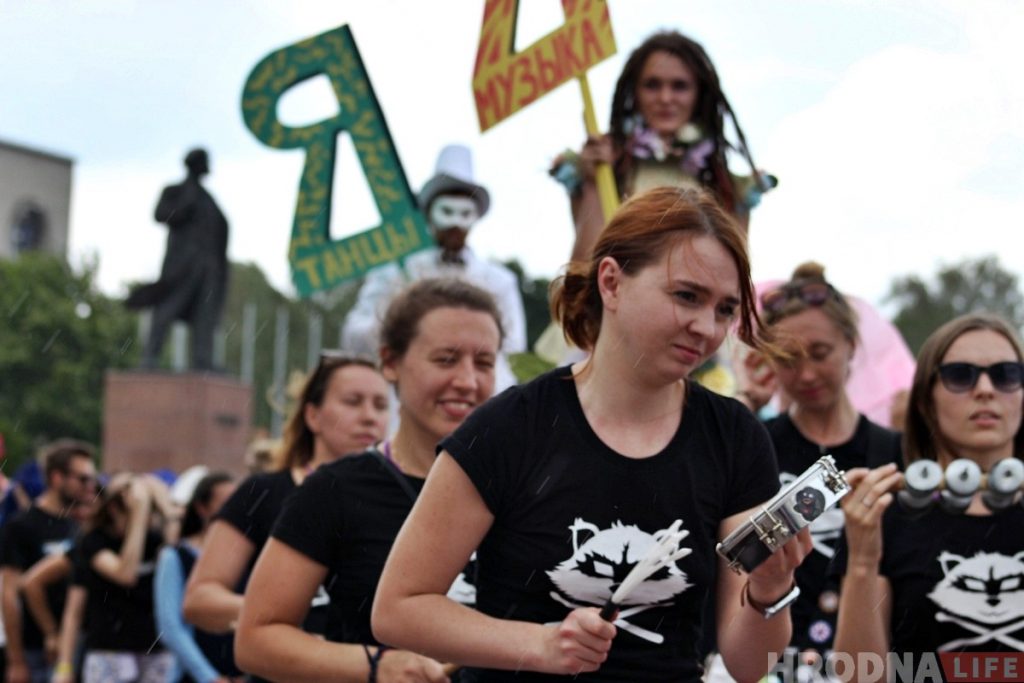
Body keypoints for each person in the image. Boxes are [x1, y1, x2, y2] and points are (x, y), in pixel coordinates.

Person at [372, 187, 813, 682]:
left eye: (725, 310)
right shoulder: (509, 426)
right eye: (686, 296)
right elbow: (398, 608)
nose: (705, 327)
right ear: (611, 282)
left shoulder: (735, 437)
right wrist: (537, 644)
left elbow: (749, 666)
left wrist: (771, 589)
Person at [235, 278, 503, 683]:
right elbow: (255, 640)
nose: (467, 381)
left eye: (484, 362)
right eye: (446, 359)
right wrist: (375, 665)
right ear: (390, 362)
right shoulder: (335, 490)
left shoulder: (527, 488)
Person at [834, 313, 1024, 681]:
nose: (985, 389)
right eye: (960, 375)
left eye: (1006, 374)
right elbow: (858, 677)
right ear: (925, 401)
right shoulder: (882, 515)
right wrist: (861, 561)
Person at [738, 263, 902, 671]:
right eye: (788, 359)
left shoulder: (895, 454)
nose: (806, 374)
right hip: (766, 660)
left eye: (820, 353)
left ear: (850, 345)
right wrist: (744, 404)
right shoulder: (756, 446)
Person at [182, 355, 388, 641]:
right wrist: (277, 614)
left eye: (381, 405)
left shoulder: (405, 497)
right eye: (353, 402)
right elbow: (200, 600)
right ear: (312, 416)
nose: (370, 416)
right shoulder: (263, 492)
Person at [551, 31, 774, 265]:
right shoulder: (601, 169)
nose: (665, 98)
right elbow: (583, 272)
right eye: (652, 85)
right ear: (634, 91)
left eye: (679, 86)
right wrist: (593, 183)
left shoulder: (731, 189)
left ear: (699, 94)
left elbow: (733, 283)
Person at [342, 144, 526, 391]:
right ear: (429, 213)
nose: (455, 224)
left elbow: (512, 353)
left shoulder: (499, 281)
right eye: (447, 211)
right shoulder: (394, 271)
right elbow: (354, 340)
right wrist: (392, 312)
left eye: (465, 213)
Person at [0, 440, 96, 683]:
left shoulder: (77, 527)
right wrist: (16, 660)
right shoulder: (21, 526)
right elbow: (9, 594)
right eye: (82, 479)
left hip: (72, 645)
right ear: (56, 477)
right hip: (35, 649)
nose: (89, 487)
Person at [126, 147, 229, 371]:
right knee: (166, 309)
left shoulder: (210, 201)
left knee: (205, 316)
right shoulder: (175, 191)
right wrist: (186, 204)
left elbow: (221, 232)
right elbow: (161, 215)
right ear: (194, 165)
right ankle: (149, 357)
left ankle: (203, 360)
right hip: (181, 266)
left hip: (208, 269)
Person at [70, 473, 177, 683]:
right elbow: (125, 574)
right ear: (113, 508)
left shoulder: (154, 539)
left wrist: (167, 507)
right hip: (109, 651)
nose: (147, 518)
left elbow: (174, 554)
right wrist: (138, 512)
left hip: (154, 649)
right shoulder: (94, 540)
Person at [154, 471, 241, 683]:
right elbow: (170, 627)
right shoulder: (175, 556)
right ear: (202, 508)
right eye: (226, 503)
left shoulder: (245, 555)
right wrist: (209, 677)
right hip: (195, 675)